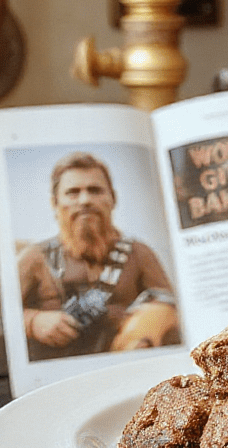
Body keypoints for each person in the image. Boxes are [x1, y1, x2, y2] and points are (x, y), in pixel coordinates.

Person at [17, 151, 180, 361]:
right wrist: (33, 322)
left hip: (124, 366)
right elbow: (3, 315)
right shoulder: (34, 257)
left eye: (95, 190)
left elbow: (170, 306)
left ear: (112, 198)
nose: (85, 200)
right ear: (55, 203)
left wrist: (144, 328)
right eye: (73, 192)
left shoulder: (138, 253)